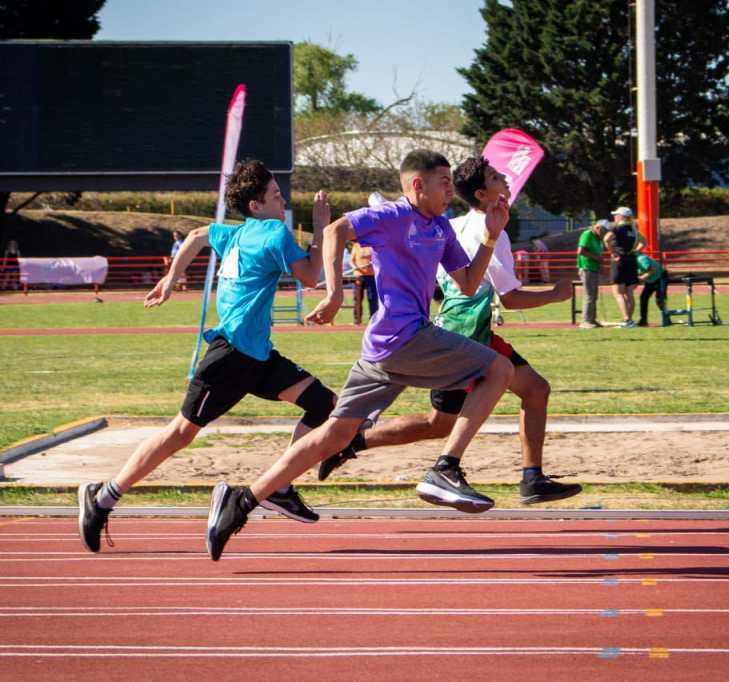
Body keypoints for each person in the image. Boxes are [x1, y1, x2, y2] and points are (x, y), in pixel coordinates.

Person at [203, 149, 516, 561]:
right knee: (500, 368)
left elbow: (470, 284)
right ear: (417, 185)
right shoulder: (389, 216)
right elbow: (334, 232)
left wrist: (491, 235)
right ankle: (446, 467)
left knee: (335, 435)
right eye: (443, 184)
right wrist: (334, 294)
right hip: (404, 337)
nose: (449, 192)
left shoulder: (440, 227)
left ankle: (242, 501)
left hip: (387, 347)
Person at [76, 160, 338, 553]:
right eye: (275, 195)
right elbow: (312, 276)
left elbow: (197, 235)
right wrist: (321, 227)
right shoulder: (272, 232)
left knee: (322, 404)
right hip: (231, 356)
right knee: (179, 434)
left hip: (258, 357)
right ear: (255, 205)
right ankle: (102, 498)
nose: (282, 199)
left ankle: (280, 485)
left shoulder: (234, 236)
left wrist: (171, 277)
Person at [317, 156, 582, 506]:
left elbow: (452, 273)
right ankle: (463, 469)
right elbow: (511, 298)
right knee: (527, 390)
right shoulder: (489, 231)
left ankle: (358, 442)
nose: (505, 179)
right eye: (496, 176)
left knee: (443, 422)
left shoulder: (453, 223)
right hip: (467, 333)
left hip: (454, 327)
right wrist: (557, 294)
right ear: (482, 192)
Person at [603, 207, 646, 328]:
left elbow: (606, 239)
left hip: (620, 260)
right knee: (629, 293)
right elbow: (644, 242)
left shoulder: (616, 227)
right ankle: (630, 320)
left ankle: (627, 320)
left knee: (618, 293)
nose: (614, 217)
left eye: (616, 215)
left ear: (621, 216)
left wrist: (612, 252)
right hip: (631, 261)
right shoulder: (633, 229)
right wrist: (636, 251)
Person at [576, 220, 608, 328]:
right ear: (598, 228)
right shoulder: (587, 234)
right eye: (604, 232)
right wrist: (597, 258)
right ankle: (585, 321)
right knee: (589, 295)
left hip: (594, 268)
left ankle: (592, 319)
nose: (604, 234)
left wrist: (600, 263)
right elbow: (581, 251)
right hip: (587, 268)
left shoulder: (598, 238)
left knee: (594, 296)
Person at [636, 252, 668, 327]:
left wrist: (641, 278)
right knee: (643, 298)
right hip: (651, 280)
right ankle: (643, 320)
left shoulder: (641, 259)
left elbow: (651, 271)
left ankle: (666, 319)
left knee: (659, 299)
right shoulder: (634, 261)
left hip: (660, 277)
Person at [350, 241, 377, 324]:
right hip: (358, 276)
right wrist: (355, 267)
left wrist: (373, 263)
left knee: (372, 298)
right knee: (357, 299)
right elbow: (352, 261)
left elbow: (377, 258)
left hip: (371, 276)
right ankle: (357, 320)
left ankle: (373, 320)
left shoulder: (372, 245)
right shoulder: (356, 246)